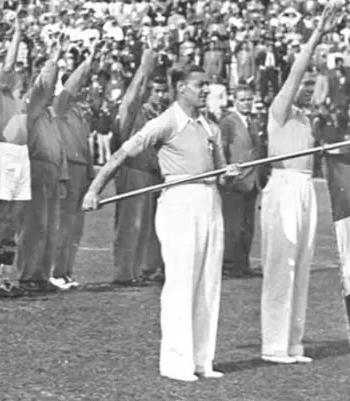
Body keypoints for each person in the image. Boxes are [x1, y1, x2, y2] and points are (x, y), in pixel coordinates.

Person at [84, 66, 238, 382]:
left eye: (207, 84)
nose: (206, 90)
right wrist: (94, 189)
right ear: (181, 88)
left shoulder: (211, 127)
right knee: (181, 282)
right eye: (200, 85)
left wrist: (228, 174)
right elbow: (122, 154)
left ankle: (201, 360)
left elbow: (220, 172)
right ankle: (175, 362)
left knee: (208, 281)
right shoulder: (166, 122)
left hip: (210, 200)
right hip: (180, 200)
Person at [259, 8, 334, 365]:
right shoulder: (280, 110)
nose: (305, 88)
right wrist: (317, 33)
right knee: (282, 265)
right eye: (301, 84)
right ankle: (273, 344)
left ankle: (293, 343)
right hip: (283, 187)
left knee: (302, 264)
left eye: (309, 85)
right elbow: (296, 71)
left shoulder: (305, 119)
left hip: (305, 188)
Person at [0, 17, 31, 298]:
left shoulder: (17, 100)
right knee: (0, 219)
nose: (12, 73)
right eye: (5, 70)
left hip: (20, 156)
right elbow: (9, 65)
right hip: (2, 153)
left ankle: (7, 276)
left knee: (13, 220)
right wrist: (17, 33)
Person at [111, 49, 163, 286]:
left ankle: (142, 269)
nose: (160, 96)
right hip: (133, 170)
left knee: (148, 227)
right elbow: (132, 97)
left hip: (153, 175)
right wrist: (145, 68)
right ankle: (124, 273)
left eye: (163, 91)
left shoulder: (160, 115)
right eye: (156, 91)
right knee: (131, 224)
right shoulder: (133, 113)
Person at [16, 49, 65, 295]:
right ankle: (27, 275)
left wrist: (63, 174)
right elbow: (42, 86)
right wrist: (53, 61)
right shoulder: (31, 105)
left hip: (52, 172)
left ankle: (42, 274)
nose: (53, 89)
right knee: (34, 225)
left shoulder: (49, 112)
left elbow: (58, 145)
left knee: (48, 226)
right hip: (36, 167)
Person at [50, 45, 97, 290]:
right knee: (64, 223)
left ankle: (67, 271)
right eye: (80, 86)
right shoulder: (59, 108)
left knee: (76, 226)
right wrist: (86, 63)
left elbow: (85, 146)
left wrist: (90, 174)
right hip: (67, 171)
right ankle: (56, 272)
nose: (83, 91)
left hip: (81, 171)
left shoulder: (80, 114)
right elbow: (68, 89)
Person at [219, 84, 263, 278]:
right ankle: (229, 265)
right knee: (233, 225)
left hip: (252, 181)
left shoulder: (252, 122)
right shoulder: (228, 122)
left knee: (247, 225)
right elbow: (222, 149)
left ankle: (243, 263)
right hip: (235, 182)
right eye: (243, 99)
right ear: (234, 100)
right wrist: (226, 174)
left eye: (249, 99)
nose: (247, 103)